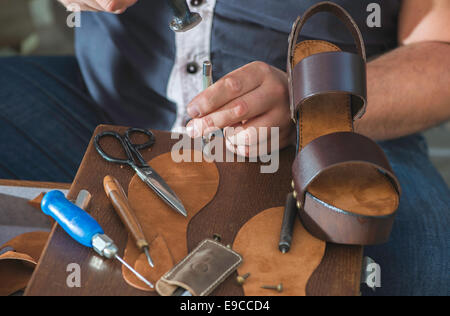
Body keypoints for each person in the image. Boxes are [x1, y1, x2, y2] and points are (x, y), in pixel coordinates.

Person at [0, 0, 448, 295]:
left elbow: (441, 54)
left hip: (334, 134)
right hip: (110, 110)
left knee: (424, 271)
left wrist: (307, 98)